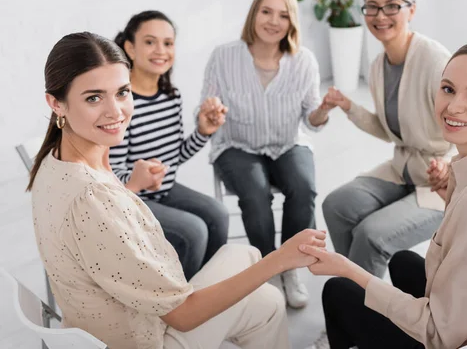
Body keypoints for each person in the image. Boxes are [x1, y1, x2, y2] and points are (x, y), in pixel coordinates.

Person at [28, 31, 327, 349]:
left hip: (102, 322)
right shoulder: (93, 198)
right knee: (260, 280)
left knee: (253, 271)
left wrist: (131, 187)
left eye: (122, 92)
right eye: (93, 97)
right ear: (56, 103)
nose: (115, 111)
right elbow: (182, 316)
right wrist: (281, 259)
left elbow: (102, 224)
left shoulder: (53, 161)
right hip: (146, 338)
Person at [304, 42, 467, 349]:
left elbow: (440, 334)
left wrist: (347, 269)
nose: (453, 106)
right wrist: (452, 195)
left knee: (340, 290)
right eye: (448, 89)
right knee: (403, 261)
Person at [200, 0, 334, 308]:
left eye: (283, 15)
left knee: (304, 187)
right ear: (254, 15)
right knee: (256, 194)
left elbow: (310, 121)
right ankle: (267, 268)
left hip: (288, 142)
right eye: (266, 11)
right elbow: (205, 107)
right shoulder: (224, 56)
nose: (274, 21)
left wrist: (324, 110)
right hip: (237, 144)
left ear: (292, 23)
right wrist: (211, 113)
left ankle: (291, 267)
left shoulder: (304, 61)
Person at [320, 0, 453, 279]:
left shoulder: (436, 61)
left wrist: (450, 166)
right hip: (403, 168)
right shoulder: (379, 66)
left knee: (371, 234)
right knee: (336, 206)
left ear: (412, 10)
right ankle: (350, 294)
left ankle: (362, 315)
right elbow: (390, 130)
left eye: (392, 6)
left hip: (441, 182)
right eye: (372, 7)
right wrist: (348, 107)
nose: (380, 16)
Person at [109, 10, 229, 280]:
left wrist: (203, 131)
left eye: (168, 43)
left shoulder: (171, 96)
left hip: (165, 190)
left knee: (218, 214)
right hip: (132, 197)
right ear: (130, 47)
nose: (160, 50)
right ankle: (179, 304)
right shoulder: (120, 104)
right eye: (150, 42)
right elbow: (111, 172)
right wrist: (139, 178)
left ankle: (207, 289)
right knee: (194, 230)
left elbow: (174, 156)